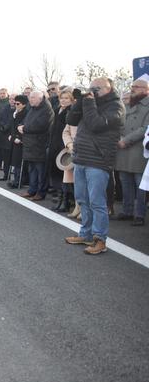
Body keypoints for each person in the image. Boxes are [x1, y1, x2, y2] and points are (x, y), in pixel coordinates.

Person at [64, 78, 125, 255]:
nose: (92, 91)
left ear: (108, 88)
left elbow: (96, 125)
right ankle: (86, 234)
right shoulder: (89, 102)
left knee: (97, 202)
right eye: (90, 88)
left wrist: (89, 103)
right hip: (81, 157)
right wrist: (80, 102)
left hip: (99, 161)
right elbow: (71, 120)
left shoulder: (116, 106)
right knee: (82, 199)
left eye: (96, 88)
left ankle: (100, 239)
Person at [113, 79, 149, 226]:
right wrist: (119, 137)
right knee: (125, 181)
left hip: (138, 150)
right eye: (132, 86)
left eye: (136, 87)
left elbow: (145, 128)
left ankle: (139, 214)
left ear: (146, 89)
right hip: (122, 149)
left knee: (140, 184)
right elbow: (119, 123)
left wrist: (126, 140)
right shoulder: (126, 105)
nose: (133, 89)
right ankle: (127, 211)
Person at [18, 91, 54, 200]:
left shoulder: (46, 110)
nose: (30, 100)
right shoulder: (33, 108)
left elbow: (40, 126)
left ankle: (41, 192)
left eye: (33, 98)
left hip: (40, 144)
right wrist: (20, 126)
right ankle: (32, 190)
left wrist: (24, 128)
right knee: (32, 169)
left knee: (41, 170)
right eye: (30, 97)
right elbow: (26, 121)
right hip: (30, 143)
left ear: (40, 98)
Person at [49, 89, 75, 211]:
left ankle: (67, 201)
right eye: (62, 98)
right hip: (54, 144)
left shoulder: (72, 112)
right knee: (55, 173)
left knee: (66, 175)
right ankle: (60, 198)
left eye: (66, 98)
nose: (63, 100)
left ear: (71, 100)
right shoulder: (56, 110)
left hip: (64, 146)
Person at [62, 93, 79, 216]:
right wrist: (70, 144)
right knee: (75, 181)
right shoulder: (73, 115)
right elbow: (66, 131)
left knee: (83, 182)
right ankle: (77, 207)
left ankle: (83, 209)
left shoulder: (89, 114)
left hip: (84, 151)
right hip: (71, 149)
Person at [8, 95, 28, 188]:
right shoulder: (15, 113)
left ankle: (18, 180)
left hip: (21, 141)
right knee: (15, 161)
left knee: (19, 162)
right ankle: (15, 179)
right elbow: (13, 127)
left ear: (23, 104)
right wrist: (11, 136)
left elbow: (22, 127)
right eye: (15, 103)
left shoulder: (26, 113)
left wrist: (18, 138)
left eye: (18, 103)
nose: (15, 105)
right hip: (14, 139)